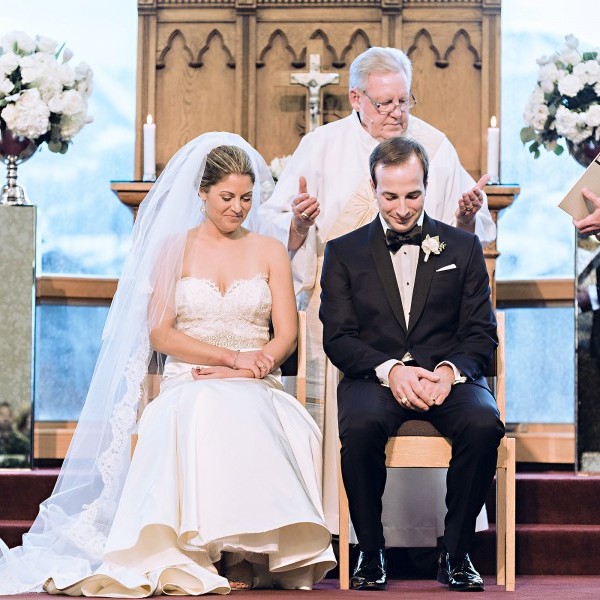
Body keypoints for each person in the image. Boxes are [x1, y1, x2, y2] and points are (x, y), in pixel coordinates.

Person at [0, 133, 335, 595]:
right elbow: (161, 333)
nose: (237, 208)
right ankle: (201, 548)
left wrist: (250, 367)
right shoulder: (173, 248)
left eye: (245, 198)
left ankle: (245, 546)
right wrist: (228, 358)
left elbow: (286, 333)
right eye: (226, 197)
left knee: (250, 407)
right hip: (189, 376)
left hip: (255, 378)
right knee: (203, 406)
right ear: (202, 192)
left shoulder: (269, 249)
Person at [258, 46, 494, 548]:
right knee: (360, 421)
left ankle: (437, 542)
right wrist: (298, 223)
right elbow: (274, 229)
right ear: (356, 99)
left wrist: (467, 218)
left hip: (430, 334)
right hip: (355, 327)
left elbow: (462, 243)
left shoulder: (435, 145)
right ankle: (357, 541)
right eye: (384, 103)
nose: (396, 113)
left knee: (475, 419)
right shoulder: (321, 146)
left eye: (404, 101)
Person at [319, 137, 504, 591]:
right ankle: (371, 551)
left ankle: (456, 553)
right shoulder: (343, 252)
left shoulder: (462, 247)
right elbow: (338, 338)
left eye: (413, 195)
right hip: (375, 378)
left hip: (448, 377)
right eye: (390, 196)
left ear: (427, 184)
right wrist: (392, 370)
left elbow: (481, 333)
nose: (402, 209)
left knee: (484, 424)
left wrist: (448, 373)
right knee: (360, 428)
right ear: (372, 188)